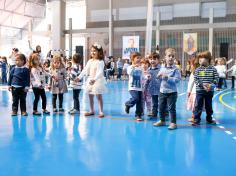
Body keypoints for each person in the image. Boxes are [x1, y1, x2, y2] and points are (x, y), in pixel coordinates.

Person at [153, 48, 181, 130]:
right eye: (169, 56)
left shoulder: (176, 69)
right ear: (165, 57)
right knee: (161, 107)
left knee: (171, 108)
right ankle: (162, 120)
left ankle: (173, 123)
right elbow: (159, 76)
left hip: (172, 92)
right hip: (162, 91)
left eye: (173, 56)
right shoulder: (162, 67)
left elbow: (178, 80)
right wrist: (158, 77)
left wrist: (168, 78)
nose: (171, 58)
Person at [77, 43, 107, 118]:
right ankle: (91, 110)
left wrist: (95, 79)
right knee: (90, 96)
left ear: (99, 52)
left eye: (95, 51)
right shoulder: (90, 61)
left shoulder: (100, 61)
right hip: (90, 80)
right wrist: (79, 77)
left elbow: (100, 72)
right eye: (91, 51)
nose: (92, 52)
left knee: (98, 96)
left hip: (97, 80)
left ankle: (101, 111)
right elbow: (85, 69)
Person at [192, 51, 218, 126]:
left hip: (209, 91)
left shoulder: (213, 69)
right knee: (198, 105)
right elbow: (196, 80)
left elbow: (216, 79)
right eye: (199, 58)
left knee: (209, 105)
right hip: (200, 91)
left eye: (202, 58)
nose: (200, 59)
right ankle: (197, 119)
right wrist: (202, 85)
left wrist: (211, 85)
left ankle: (209, 119)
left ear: (207, 59)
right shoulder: (198, 70)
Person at [125, 52, 144, 121]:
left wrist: (147, 77)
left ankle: (138, 115)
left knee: (140, 102)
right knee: (135, 98)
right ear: (133, 59)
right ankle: (128, 104)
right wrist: (133, 67)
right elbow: (129, 73)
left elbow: (142, 76)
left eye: (140, 58)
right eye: (137, 58)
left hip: (140, 87)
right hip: (132, 87)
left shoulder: (141, 68)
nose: (139, 59)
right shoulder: (130, 67)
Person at [146, 52, 161, 120]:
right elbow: (147, 80)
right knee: (154, 103)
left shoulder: (161, 68)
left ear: (158, 60)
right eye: (151, 59)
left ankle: (164, 112)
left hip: (161, 89)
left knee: (162, 102)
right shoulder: (148, 69)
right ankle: (154, 114)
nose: (152, 60)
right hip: (152, 89)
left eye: (154, 59)